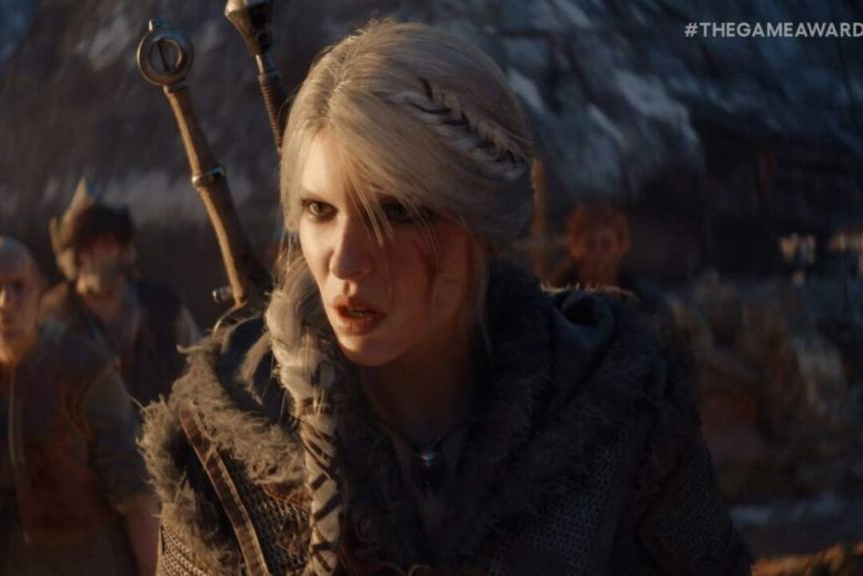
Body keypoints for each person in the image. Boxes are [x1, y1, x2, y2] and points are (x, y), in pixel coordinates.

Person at [142, 21, 751, 575]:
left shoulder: (617, 404)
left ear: (480, 222)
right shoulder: (229, 439)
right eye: (320, 210)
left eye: (397, 212)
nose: (345, 262)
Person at [0, 237, 158, 576]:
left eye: (18, 287)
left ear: (38, 295)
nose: (6, 302)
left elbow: (135, 493)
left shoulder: (85, 373)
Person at [42, 179, 199, 411]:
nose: (98, 256)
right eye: (88, 248)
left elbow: (199, 370)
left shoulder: (164, 308)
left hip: (165, 428)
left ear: (120, 249)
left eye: (106, 244)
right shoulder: (53, 319)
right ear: (75, 255)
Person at [552, 202, 669, 318]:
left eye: (606, 244)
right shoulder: (556, 300)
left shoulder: (645, 300)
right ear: (575, 247)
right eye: (590, 244)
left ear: (621, 246)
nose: (598, 253)